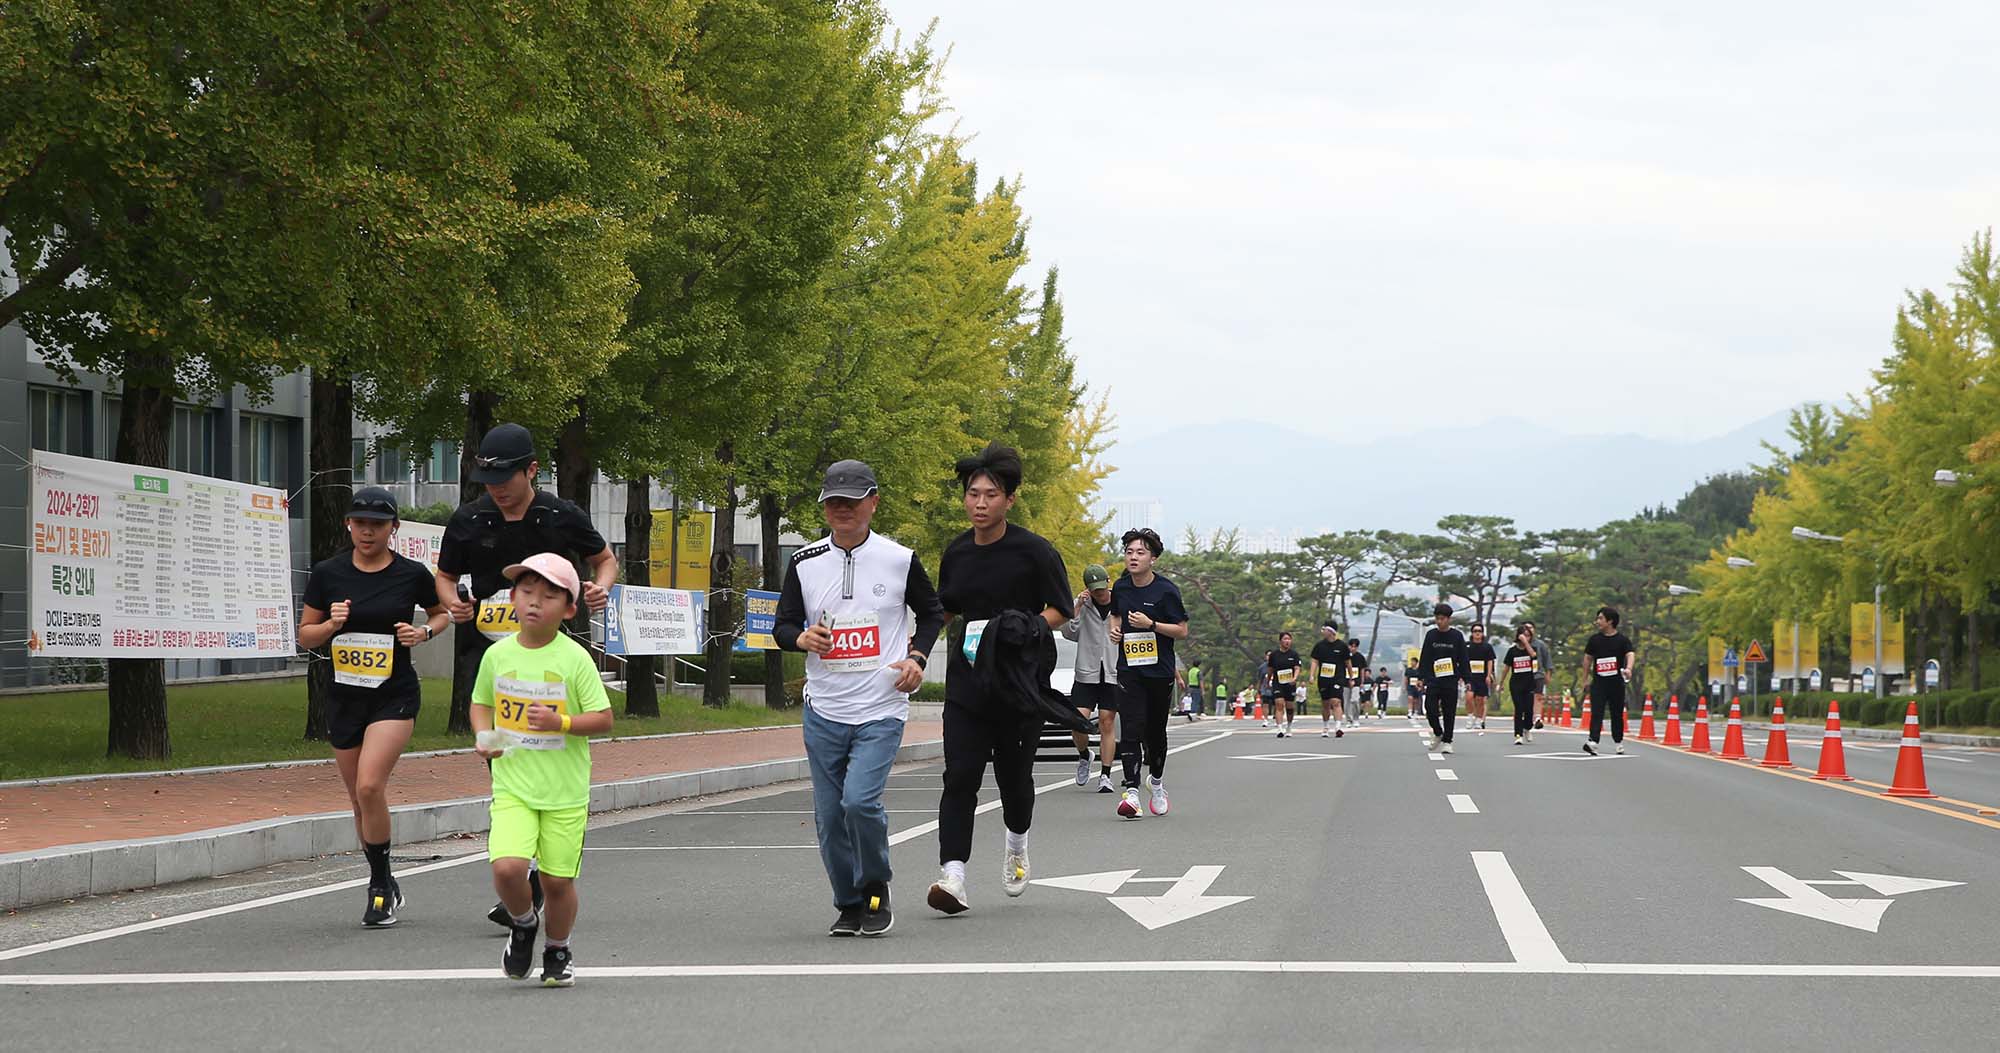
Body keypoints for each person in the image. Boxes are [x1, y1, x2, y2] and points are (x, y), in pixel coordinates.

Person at [436, 422, 617, 929]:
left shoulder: (560, 516)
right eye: (486, 476)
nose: (495, 486)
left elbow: (605, 560)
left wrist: (599, 588)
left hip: (550, 658)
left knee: (542, 752)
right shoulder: (469, 519)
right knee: (505, 760)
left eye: (505, 476)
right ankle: (522, 870)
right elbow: (445, 576)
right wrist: (451, 603)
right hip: (492, 656)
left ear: (531, 470)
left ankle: (540, 875)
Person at [774, 460, 945, 938]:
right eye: (833, 502)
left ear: (873, 502)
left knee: (859, 803)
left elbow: (931, 615)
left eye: (852, 501)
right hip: (824, 708)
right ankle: (849, 903)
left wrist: (916, 657)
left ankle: (875, 887)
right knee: (829, 817)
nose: (842, 509)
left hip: (881, 708)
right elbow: (783, 625)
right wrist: (801, 639)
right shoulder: (805, 562)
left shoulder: (900, 559)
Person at [297, 487, 450, 927]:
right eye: (360, 522)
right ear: (349, 524)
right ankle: (384, 876)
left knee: (369, 786)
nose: (367, 531)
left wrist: (424, 634)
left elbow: (440, 613)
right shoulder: (329, 573)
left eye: (377, 524)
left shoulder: (411, 573)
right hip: (344, 698)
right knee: (358, 801)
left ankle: (379, 888)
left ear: (393, 528)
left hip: (394, 693)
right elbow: (305, 636)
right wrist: (331, 624)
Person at [929, 444, 1072, 914]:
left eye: (991, 494)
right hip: (968, 684)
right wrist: (912, 651)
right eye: (973, 494)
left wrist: (1026, 625)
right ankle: (953, 876)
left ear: (1009, 500)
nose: (980, 503)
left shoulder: (1034, 552)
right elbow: (944, 609)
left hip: (1017, 684)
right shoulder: (956, 552)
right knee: (960, 777)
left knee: (1014, 780)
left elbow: (1060, 610)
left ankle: (1016, 844)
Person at [470, 553, 614, 986]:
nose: (535, 602)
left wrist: (562, 723)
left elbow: (603, 719)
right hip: (513, 785)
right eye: (527, 592)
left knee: (556, 881)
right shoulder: (497, 656)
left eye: (549, 595)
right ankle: (523, 923)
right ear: (512, 597)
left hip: (565, 792)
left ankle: (558, 948)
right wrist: (484, 737)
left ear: (569, 608)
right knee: (507, 868)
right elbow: (481, 704)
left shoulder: (574, 659)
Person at [1105, 528, 1189, 818]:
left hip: (1159, 671)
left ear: (1152, 558)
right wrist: (1114, 630)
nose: (1133, 557)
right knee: (1130, 727)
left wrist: (1151, 624)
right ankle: (1131, 791)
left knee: (1154, 733)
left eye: (1140, 552)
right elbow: (1115, 614)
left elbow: (1182, 630)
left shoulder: (1166, 590)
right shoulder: (1121, 587)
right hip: (1129, 669)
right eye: (1129, 552)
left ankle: (1156, 781)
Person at [1062, 564, 1120, 793]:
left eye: (1102, 587)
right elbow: (1069, 633)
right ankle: (1085, 755)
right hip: (1087, 671)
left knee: (1107, 721)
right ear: (1087, 588)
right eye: (1094, 589)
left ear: (1108, 581)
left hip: (1112, 671)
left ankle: (1105, 775)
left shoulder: (1121, 602)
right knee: (1078, 721)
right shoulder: (1083, 605)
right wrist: (1077, 606)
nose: (1099, 593)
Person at [1582, 606, 1637, 755]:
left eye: (1600, 618)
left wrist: (1629, 669)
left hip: (1616, 684)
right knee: (1597, 712)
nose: (1597, 621)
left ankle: (1618, 742)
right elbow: (1587, 659)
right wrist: (1585, 679)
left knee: (1616, 714)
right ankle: (1593, 741)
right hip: (1599, 683)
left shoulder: (1622, 640)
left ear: (1610, 621)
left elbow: (1630, 654)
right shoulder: (1594, 640)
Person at [1418, 603, 1468, 754]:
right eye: (1437, 619)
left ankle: (1448, 740)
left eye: (1442, 619)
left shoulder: (1457, 636)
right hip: (1434, 679)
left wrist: (1467, 679)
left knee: (1449, 711)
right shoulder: (1431, 635)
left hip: (1450, 679)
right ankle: (1438, 732)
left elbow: (1463, 659)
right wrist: (1421, 677)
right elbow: (1425, 656)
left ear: (1448, 619)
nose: (1439, 622)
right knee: (1430, 708)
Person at [1500, 626, 1540, 745]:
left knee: (1528, 710)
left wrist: (1526, 643)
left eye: (1528, 635)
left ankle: (1527, 728)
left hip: (1529, 684)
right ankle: (1518, 735)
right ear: (1518, 636)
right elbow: (1506, 668)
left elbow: (1533, 656)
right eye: (1524, 635)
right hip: (1516, 684)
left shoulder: (1531, 649)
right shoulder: (1512, 651)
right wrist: (1501, 683)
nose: (1526, 637)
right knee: (1519, 709)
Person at [1309, 623, 1346, 738]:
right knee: (1325, 704)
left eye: (1324, 629)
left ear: (1331, 632)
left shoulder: (1341, 646)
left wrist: (1350, 677)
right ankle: (1325, 726)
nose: (1322, 631)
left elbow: (1348, 662)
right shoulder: (1319, 646)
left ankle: (1338, 727)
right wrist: (1312, 675)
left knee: (1336, 701)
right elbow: (1314, 661)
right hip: (1324, 678)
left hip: (1338, 677)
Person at [1265, 631, 1303, 737]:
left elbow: (1297, 668)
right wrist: (1268, 681)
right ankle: (1280, 728)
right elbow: (1270, 670)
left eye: (1289, 639)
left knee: (1290, 707)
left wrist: (1295, 678)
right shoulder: (1274, 655)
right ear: (1280, 641)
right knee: (1279, 704)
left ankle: (1289, 727)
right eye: (1285, 639)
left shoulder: (1294, 654)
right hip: (1278, 683)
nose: (1287, 641)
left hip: (1290, 684)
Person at [1522, 620, 1554, 729]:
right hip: (1523, 675)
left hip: (1538, 674)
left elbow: (1547, 660)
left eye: (1531, 628)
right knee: (1525, 698)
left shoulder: (1540, 644)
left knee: (1538, 696)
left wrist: (1548, 674)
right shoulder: (1518, 645)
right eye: (1526, 628)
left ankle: (1537, 718)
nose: (1529, 630)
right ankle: (1526, 716)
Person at [1465, 624, 1497, 733]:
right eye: (1475, 631)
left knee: (1480, 700)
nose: (1477, 633)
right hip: (1470, 677)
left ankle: (1478, 720)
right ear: (1472, 633)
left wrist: (1489, 675)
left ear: (1482, 633)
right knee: (1469, 697)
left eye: (1479, 631)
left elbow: (1490, 661)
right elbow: (1462, 661)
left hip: (1482, 677)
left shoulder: (1487, 647)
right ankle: (1470, 717)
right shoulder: (1467, 646)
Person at [1345, 637, 1369, 726]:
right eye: (1351, 646)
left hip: (1357, 681)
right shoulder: (1344, 656)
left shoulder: (1360, 657)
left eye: (1355, 646)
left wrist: (1362, 682)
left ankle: (1356, 718)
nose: (1353, 648)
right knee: (1346, 701)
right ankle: (1348, 719)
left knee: (1355, 700)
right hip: (1345, 681)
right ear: (1348, 646)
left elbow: (1362, 670)